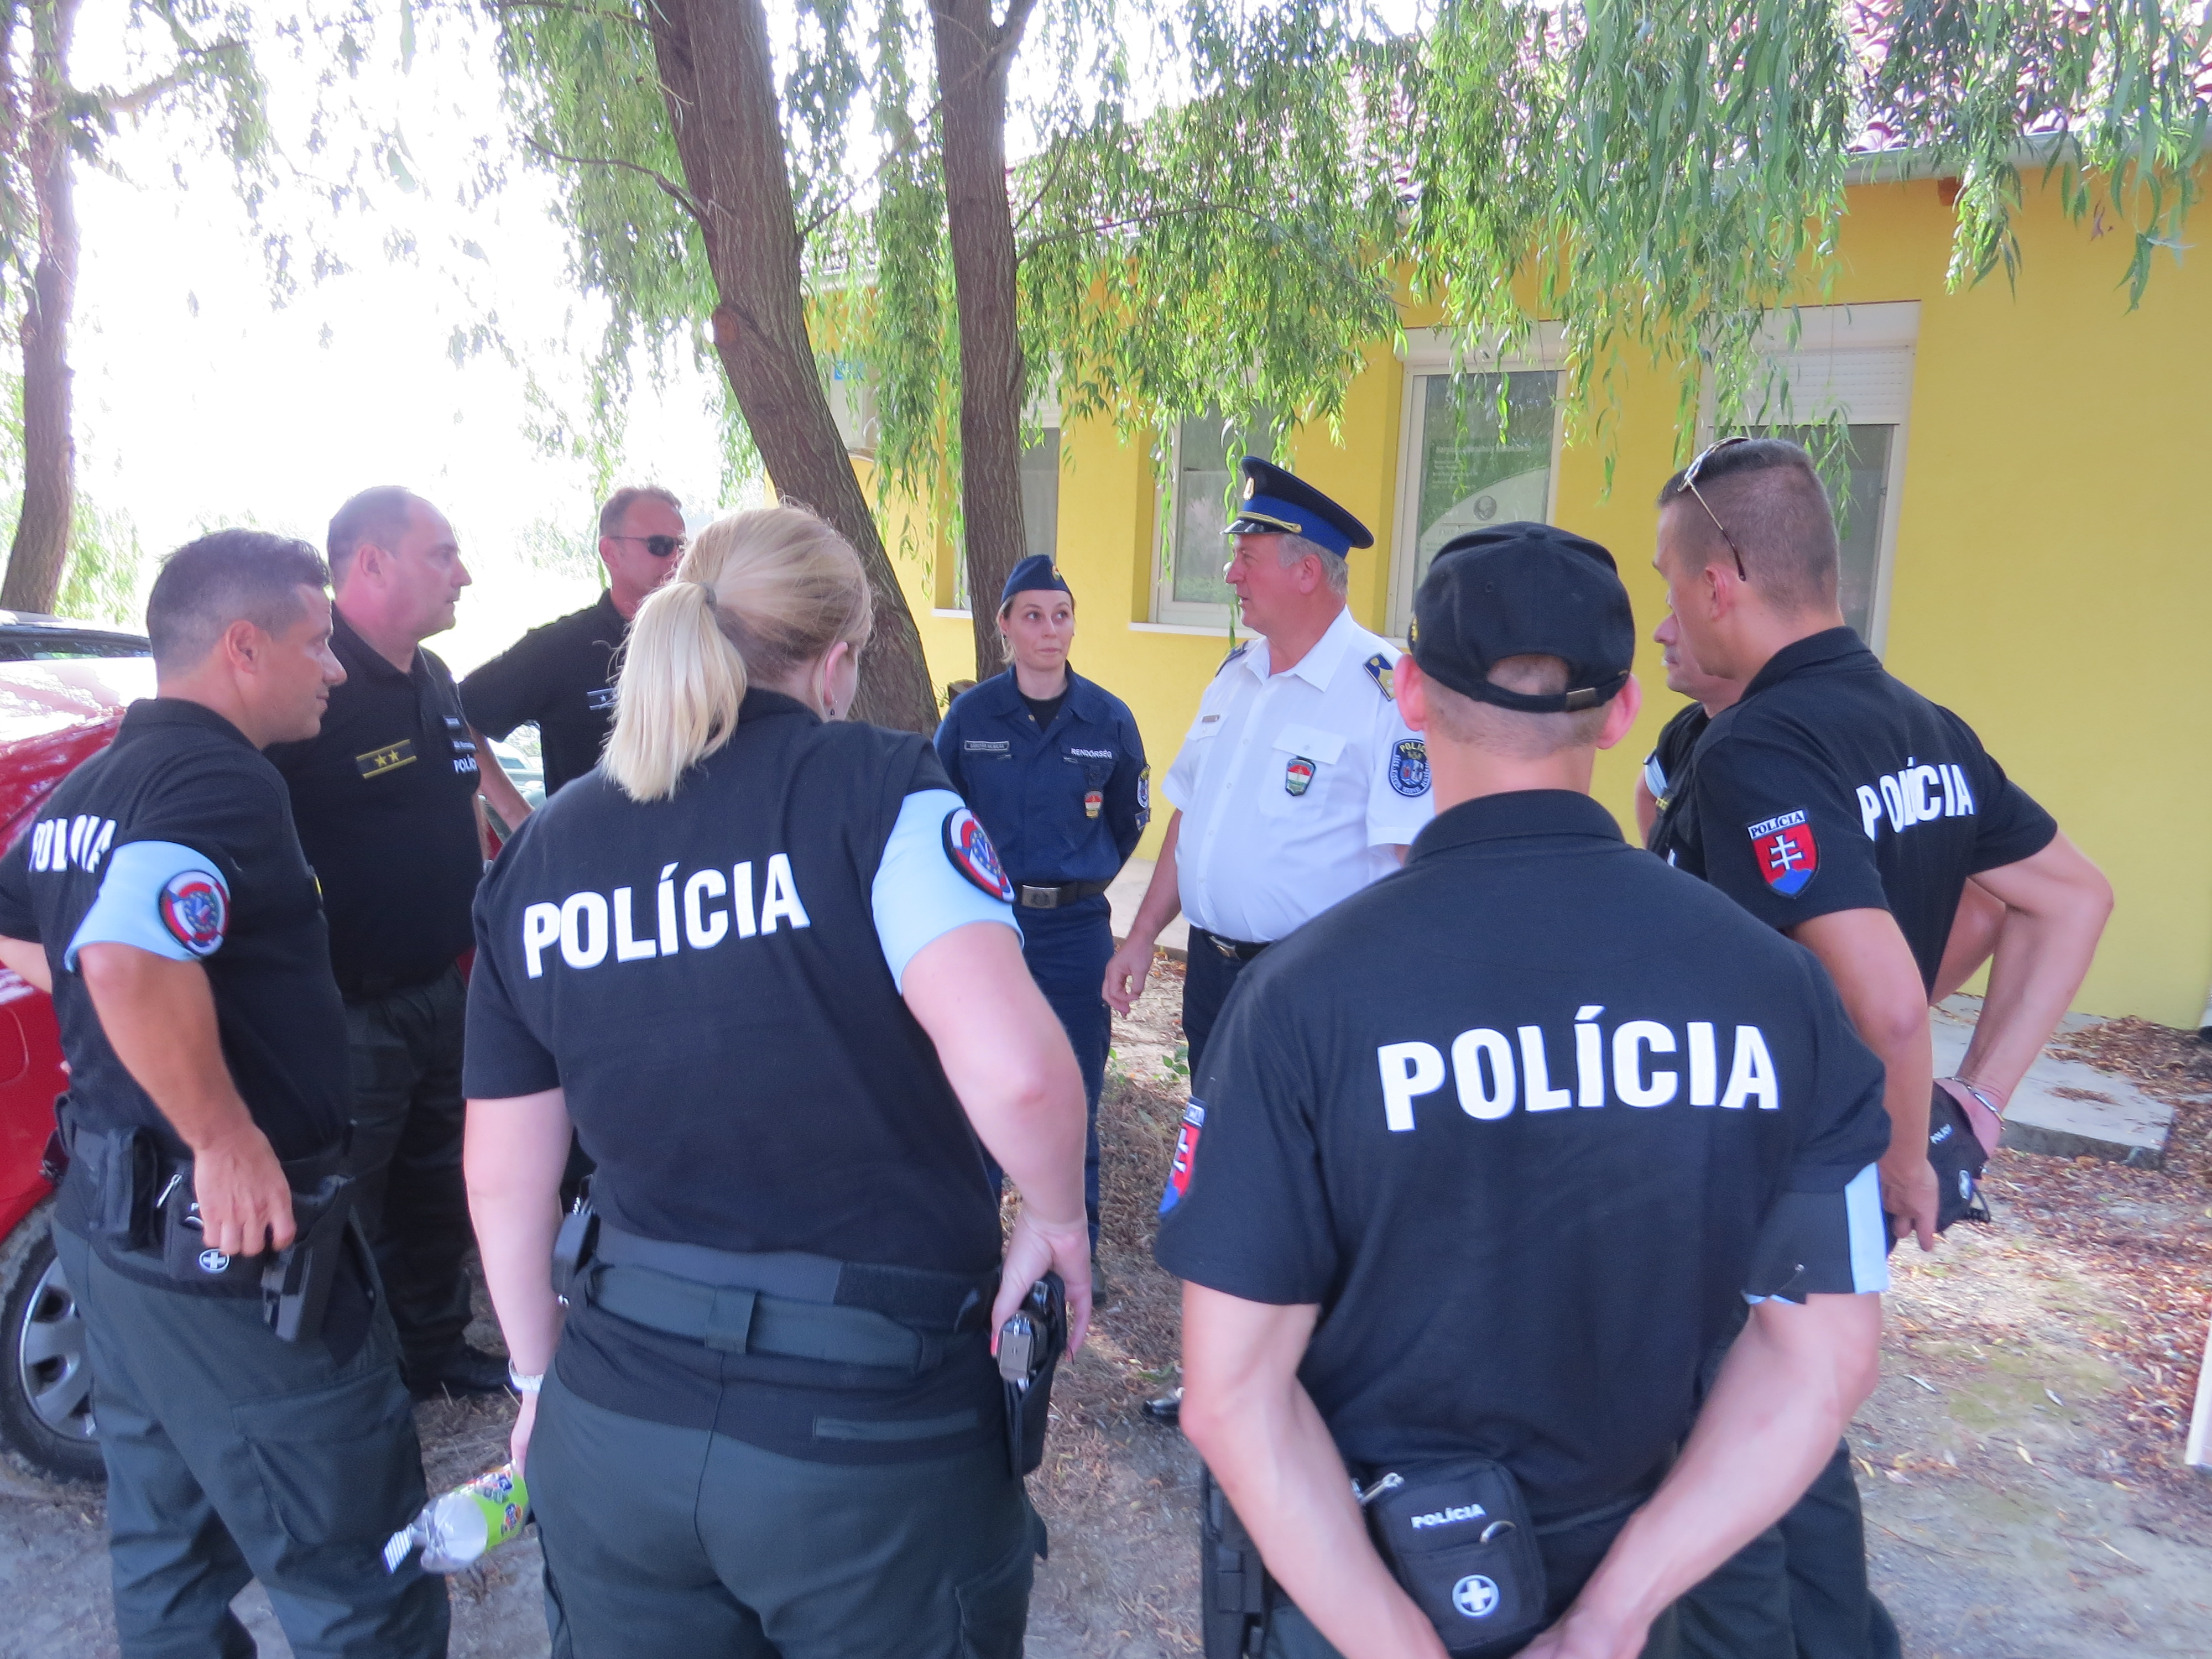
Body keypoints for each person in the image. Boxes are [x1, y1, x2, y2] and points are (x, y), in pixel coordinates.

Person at [1155, 522, 1891, 1659]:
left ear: (1409, 692)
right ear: (1619, 712)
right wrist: (1610, 1616)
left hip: (1365, 1586)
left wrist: (1395, 1644)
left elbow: (1229, 1395)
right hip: (1643, 1585)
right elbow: (1822, 1358)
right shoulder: (1776, 989)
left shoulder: (1299, 1003)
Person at [462, 505, 1092, 1656]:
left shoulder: (550, 845)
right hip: (864, 1434)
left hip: (619, 1414)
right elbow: (1020, 1077)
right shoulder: (878, 790)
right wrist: (1057, 1218)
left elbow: (505, 1175)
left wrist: (537, 1383)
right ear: (836, 662)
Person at [1651, 436, 2114, 1658]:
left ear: (1721, 583)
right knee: (1793, 1433)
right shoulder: (1924, 726)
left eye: (1667, 583)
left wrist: (1912, 1151)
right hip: (1832, 1167)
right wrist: (1977, 1103)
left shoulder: (1756, 750)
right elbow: (2059, 901)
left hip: (1750, 1173)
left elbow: (1892, 1003)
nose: (1662, 616)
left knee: (1718, 1469)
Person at [0, 531, 447, 1657]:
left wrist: (110, 1013)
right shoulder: (220, 781)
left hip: (114, 1235)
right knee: (363, 1574)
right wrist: (223, 1134)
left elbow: (38, 930)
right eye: (317, 642)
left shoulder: (93, 785)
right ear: (243, 647)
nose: (335, 669)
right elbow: (125, 955)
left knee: (169, 1556)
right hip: (231, 1256)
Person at [1102, 457, 1431, 1427]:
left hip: (1316, 990)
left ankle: (1319, 1385)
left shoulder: (1384, 692)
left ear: (1307, 568)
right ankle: (1221, 1376)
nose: (1230, 572)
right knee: (1224, 1177)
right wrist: (1143, 934)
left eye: (1246, 554)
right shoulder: (1235, 677)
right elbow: (1188, 816)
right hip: (1216, 975)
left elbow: (1409, 865)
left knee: (1321, 1183)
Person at [265, 487, 520, 1398]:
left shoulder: (433, 677)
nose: (463, 574)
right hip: (349, 1007)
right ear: (370, 565)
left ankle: (433, 1349)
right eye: (442, 554)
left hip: (443, 988)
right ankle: (351, 1383)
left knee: (436, 1187)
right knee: (350, 1203)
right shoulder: (309, 679)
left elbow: (460, 797)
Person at [936, 554, 1148, 1257]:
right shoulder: (970, 718)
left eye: (1061, 616)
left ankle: (1070, 1248)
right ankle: (974, 1249)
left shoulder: (1107, 719)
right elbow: (940, 813)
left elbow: (1127, 821)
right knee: (981, 1084)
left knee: (1072, 1090)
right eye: (1032, 616)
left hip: (1075, 931)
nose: (1049, 630)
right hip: (992, 927)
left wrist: (1080, 875)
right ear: (1005, 625)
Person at [460, 484, 687, 803]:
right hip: (598, 834)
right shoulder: (559, 649)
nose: (678, 558)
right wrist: (521, 818)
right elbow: (460, 719)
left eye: (684, 546)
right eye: (661, 546)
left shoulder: (708, 637)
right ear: (611, 552)